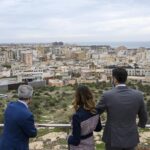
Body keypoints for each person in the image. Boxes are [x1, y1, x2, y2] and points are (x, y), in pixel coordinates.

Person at [96, 67, 148, 150]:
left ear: (115, 79)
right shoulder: (138, 95)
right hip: (130, 137)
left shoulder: (107, 95)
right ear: (125, 78)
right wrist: (139, 126)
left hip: (112, 138)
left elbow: (96, 112)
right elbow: (144, 117)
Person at [0, 84, 37, 150]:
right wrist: (34, 126)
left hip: (3, 145)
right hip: (16, 147)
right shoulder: (27, 115)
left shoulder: (10, 106)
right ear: (30, 97)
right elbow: (33, 133)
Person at [68, 85, 102, 150]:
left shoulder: (77, 116)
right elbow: (98, 128)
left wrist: (68, 137)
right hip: (90, 146)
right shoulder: (95, 111)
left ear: (77, 97)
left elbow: (76, 141)